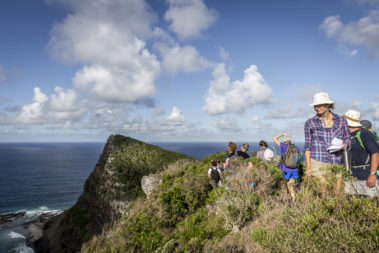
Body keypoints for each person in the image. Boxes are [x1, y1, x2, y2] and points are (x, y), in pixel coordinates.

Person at [304, 92, 351, 197]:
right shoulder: (310, 122)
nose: (317, 108)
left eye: (320, 105)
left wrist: (344, 145)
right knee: (324, 194)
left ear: (328, 105)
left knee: (337, 193)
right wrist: (308, 166)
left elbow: (348, 138)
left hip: (336, 160)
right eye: (315, 106)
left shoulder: (341, 120)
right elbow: (307, 146)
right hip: (317, 160)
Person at [343, 110, 379, 197]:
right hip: (349, 176)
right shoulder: (346, 135)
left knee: (369, 204)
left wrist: (372, 174)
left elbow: (375, 154)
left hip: (365, 177)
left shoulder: (364, 134)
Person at [273, 133, 299, 203]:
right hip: (294, 169)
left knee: (282, 186)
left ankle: (284, 201)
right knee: (291, 187)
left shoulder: (283, 146)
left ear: (285, 141)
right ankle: (293, 202)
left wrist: (281, 135)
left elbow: (274, 139)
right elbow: (298, 158)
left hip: (286, 169)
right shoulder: (296, 147)